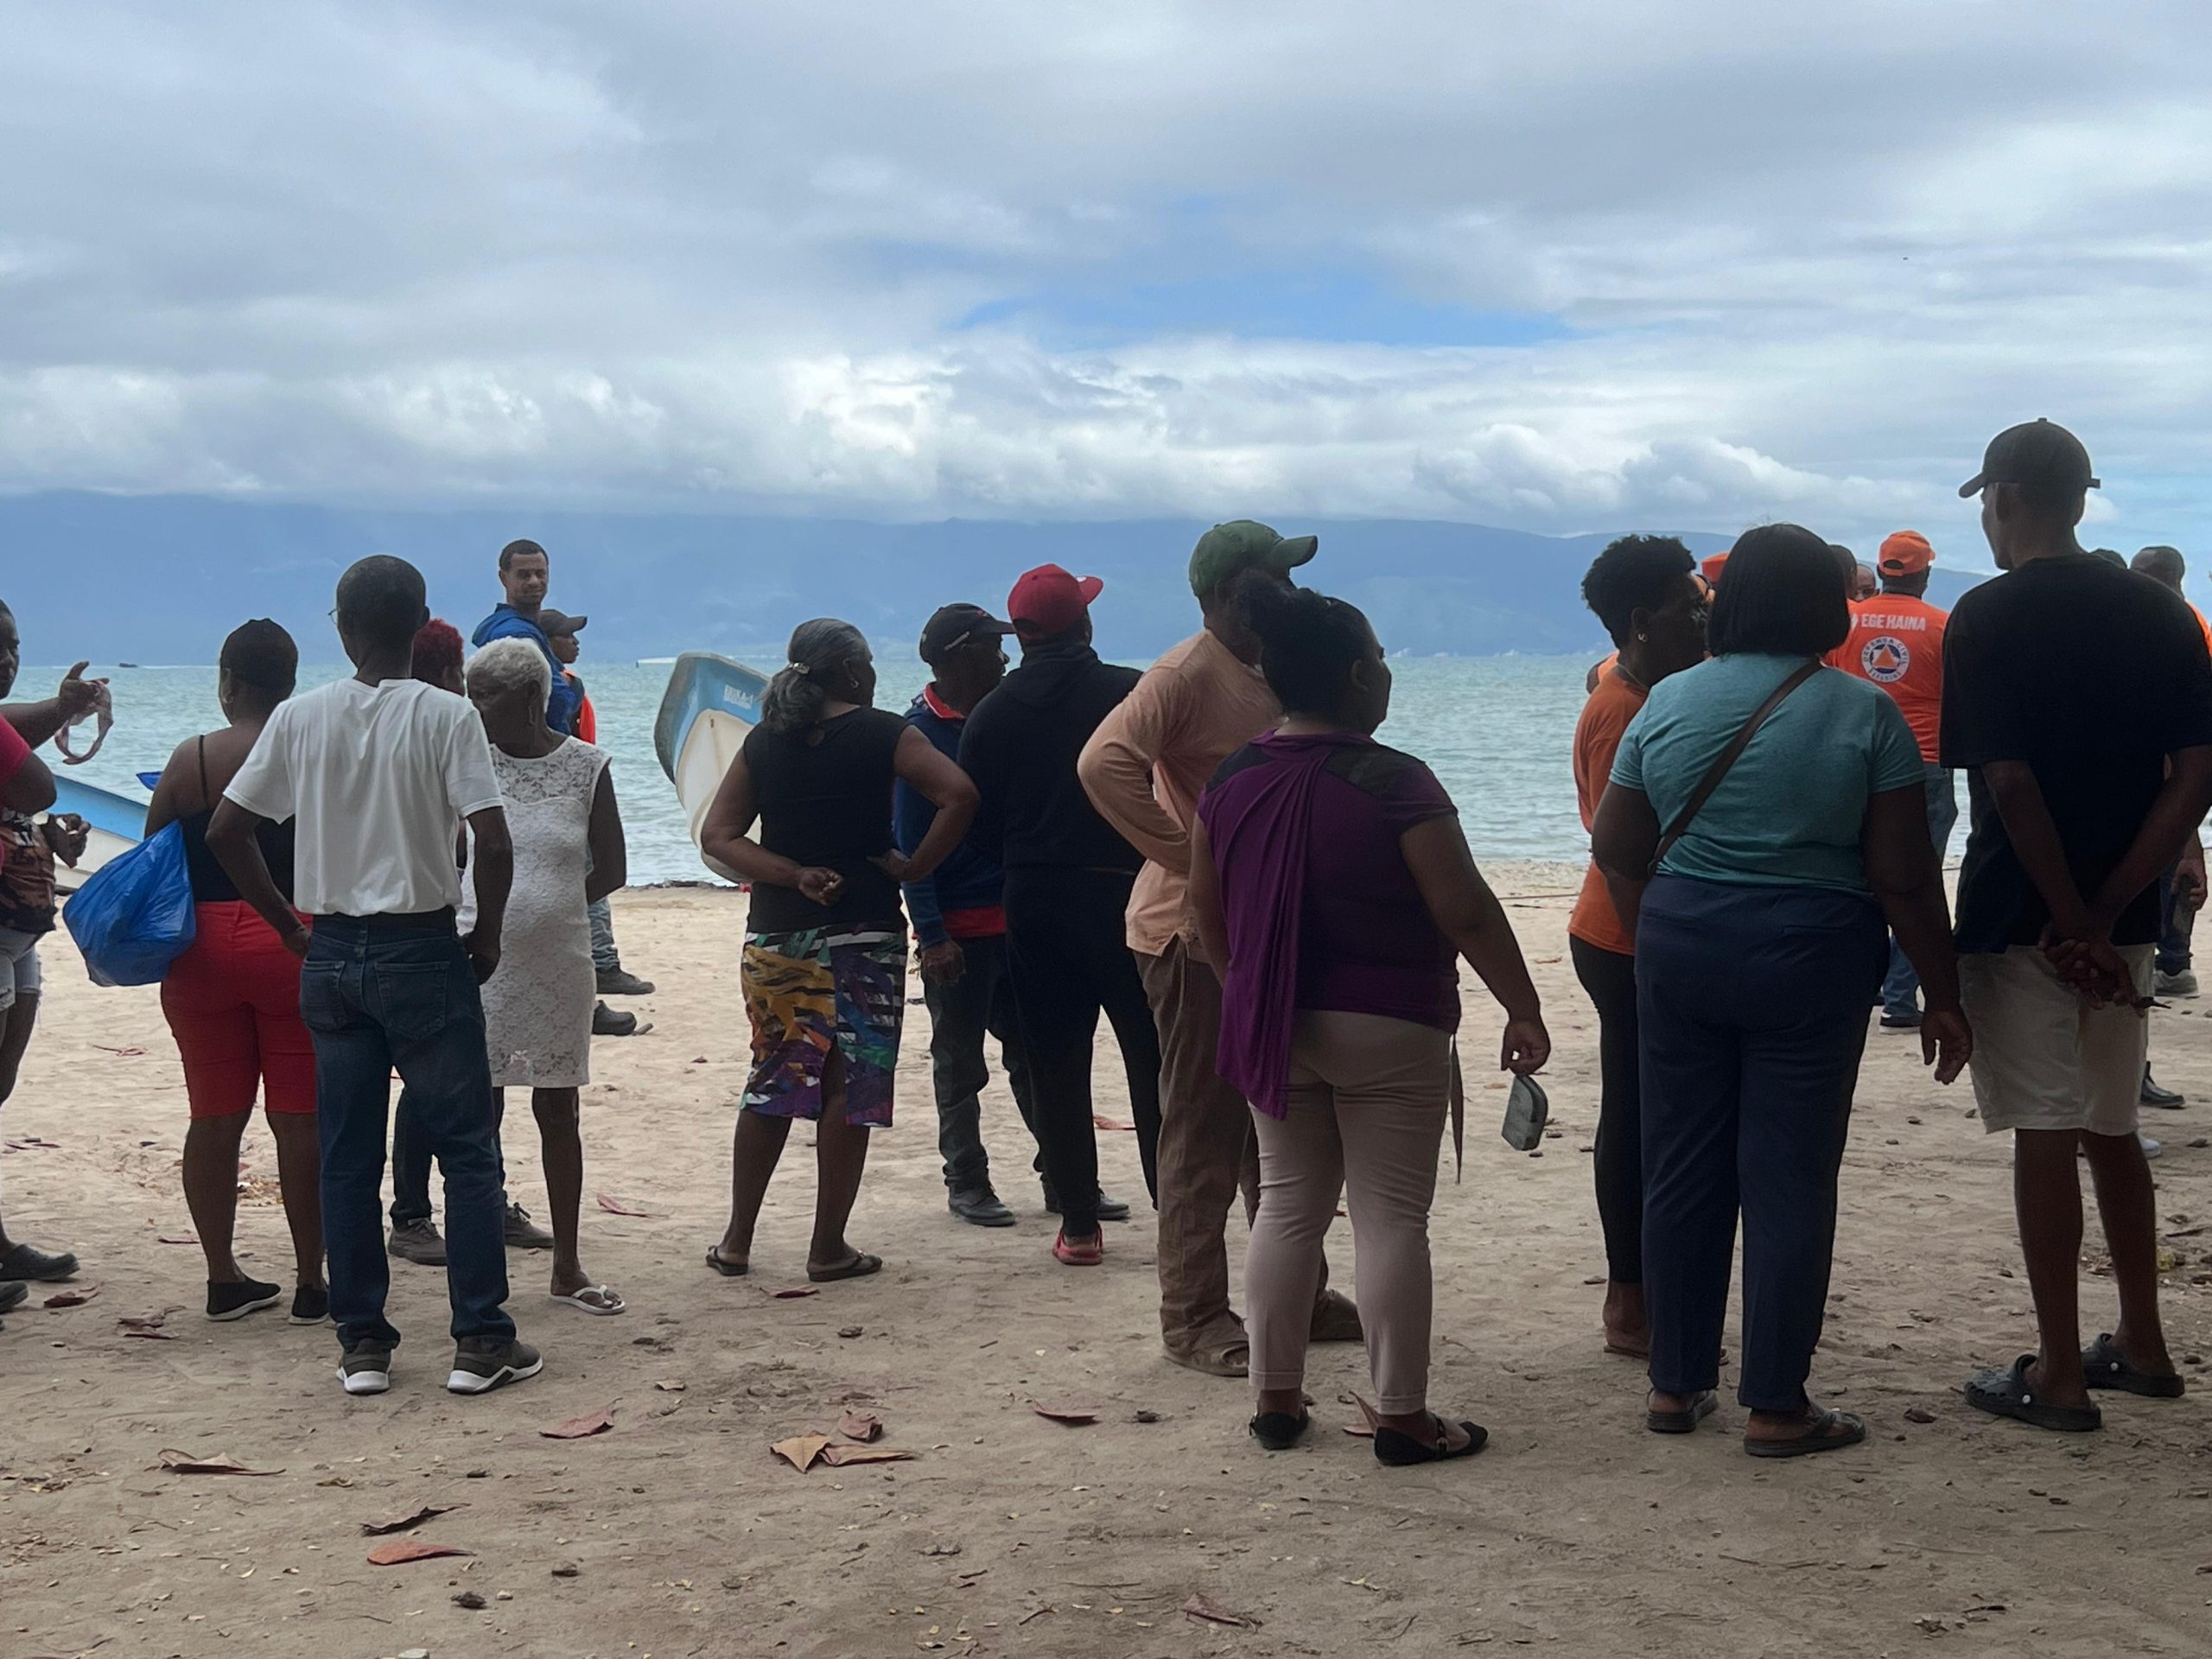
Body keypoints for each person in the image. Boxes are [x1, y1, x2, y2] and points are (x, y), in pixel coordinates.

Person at [1592, 523, 1969, 1457]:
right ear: (1826, 609)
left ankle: (1675, 1385)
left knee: (1681, 1166)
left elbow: (1615, 847)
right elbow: (1903, 876)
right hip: (1811, 955)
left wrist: (1664, 929)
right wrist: (1942, 990)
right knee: (1790, 1177)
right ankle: (1774, 1403)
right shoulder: (1864, 713)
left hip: (1680, 945)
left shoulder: (1665, 701)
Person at [1189, 587, 1549, 1465]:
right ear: (1358, 676)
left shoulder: (1230, 779)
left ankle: (1276, 1401)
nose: (1387, 672)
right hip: (1390, 1024)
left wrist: (1245, 992)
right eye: (1382, 658)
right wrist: (1522, 1003)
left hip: (1276, 1023)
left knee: (1286, 1206)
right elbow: (1463, 908)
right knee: (1390, 1219)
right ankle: (1401, 1416)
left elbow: (1205, 913)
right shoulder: (1396, 781)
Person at [210, 555, 538, 1398]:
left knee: (348, 1154)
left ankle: (363, 1343)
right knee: (466, 1151)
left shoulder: (302, 716)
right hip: (423, 948)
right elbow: (494, 840)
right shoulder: (448, 715)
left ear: (344, 627)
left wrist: (290, 926)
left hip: (332, 953)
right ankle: (480, 1339)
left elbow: (228, 830)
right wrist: (487, 935)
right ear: (420, 623)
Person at [1943, 422, 2212, 1432]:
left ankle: (2058, 1372)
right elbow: (2195, 775)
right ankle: (2143, 1342)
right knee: (2113, 1128)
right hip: (2122, 920)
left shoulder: (1985, 615)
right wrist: (2102, 915)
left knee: (2045, 1135)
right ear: (2082, 497)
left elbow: (2008, 783)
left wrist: (2064, 916)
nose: (1986, 516)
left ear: (2006, 497)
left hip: (2022, 919)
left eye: (1985, 499)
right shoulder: (2161, 611)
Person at [1079, 521, 1358, 1376]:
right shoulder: (1184, 673)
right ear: (1225, 596)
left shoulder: (1273, 665)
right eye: (1274, 579)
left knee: (1276, 1118)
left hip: (1260, 929)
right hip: (1188, 932)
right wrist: (1192, 858)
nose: (1289, 592)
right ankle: (1194, 1316)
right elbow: (1103, 763)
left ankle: (1298, 1292)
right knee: (1202, 1129)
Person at [699, 619, 976, 1281]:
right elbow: (959, 795)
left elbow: (719, 835)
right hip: (866, 930)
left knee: (775, 1078)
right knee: (852, 1086)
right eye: (869, 663)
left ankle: (737, 1242)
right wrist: (915, 867)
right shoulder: (885, 732)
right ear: (852, 671)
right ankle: (827, 1248)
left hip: (779, 934)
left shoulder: (765, 740)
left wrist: (793, 874)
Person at [961, 568, 1159, 1264]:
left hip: (1035, 896)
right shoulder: (1133, 694)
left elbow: (975, 826)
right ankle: (1177, 1210)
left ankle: (1078, 1226)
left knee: (1055, 1061)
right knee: (1153, 1058)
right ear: (1086, 625)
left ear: (1020, 636)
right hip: (1127, 892)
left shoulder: (991, 714)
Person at [144, 621, 326, 1325]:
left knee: (214, 1117)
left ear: (227, 683)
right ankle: (311, 1281)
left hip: (202, 952)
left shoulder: (191, 758)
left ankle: (223, 1278)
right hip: (293, 941)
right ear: (290, 685)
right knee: (300, 1121)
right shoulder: (310, 752)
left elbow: (155, 855)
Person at [1568, 536, 1708, 1360]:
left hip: (1643, 926)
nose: (1704, 619)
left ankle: (1652, 1290)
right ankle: (1629, 1299)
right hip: (1626, 933)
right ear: (1641, 622)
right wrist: (1661, 942)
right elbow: (1616, 842)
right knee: (1634, 1111)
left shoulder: (1653, 689)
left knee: (1657, 1108)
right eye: (1690, 608)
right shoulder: (1622, 708)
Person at [463, 639, 630, 1315]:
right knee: (481, 1112)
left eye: (487, 697)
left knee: (559, 1110)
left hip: (559, 962)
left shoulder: (586, 767)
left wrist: (555, 906)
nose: (474, 709)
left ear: (531, 697)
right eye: (470, 695)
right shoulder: (469, 764)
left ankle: (567, 1265)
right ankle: (482, 1272)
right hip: (481, 959)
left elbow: (611, 867)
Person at [897, 603, 1045, 1227]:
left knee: (1036, 1055)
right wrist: (932, 934)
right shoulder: (919, 735)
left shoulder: (998, 718)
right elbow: (911, 848)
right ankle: (966, 1180)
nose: (1004, 658)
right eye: (991, 647)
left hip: (1018, 919)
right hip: (960, 926)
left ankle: (1063, 1174)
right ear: (960, 657)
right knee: (960, 1064)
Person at [0, 606, 97, 1300]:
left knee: (1, 1082)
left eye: (13, 646)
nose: (7, 659)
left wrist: (39, 835)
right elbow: (38, 785)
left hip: (17, 924)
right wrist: (59, 714)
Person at [1830, 531, 1958, 1031]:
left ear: (1882, 571)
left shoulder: (1846, 622)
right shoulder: (1943, 627)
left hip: (1853, 764)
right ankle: (1901, 998)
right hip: (1923, 765)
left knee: (1857, 879)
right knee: (1918, 882)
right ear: (1925, 574)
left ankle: (1859, 986)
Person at [540, 608, 653, 1030]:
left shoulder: (559, 686)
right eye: (566, 636)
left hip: (570, 788)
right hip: (574, 792)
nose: (575, 642)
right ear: (548, 643)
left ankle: (601, 962)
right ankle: (604, 963)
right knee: (593, 874)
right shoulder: (566, 687)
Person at [2128, 547, 2209, 1005]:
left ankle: (2174, 961)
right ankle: (2174, 960)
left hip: (2180, 761)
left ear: (2162, 577)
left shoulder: (2174, 624)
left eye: (2139, 573)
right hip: (2179, 758)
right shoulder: (2182, 620)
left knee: (2173, 856)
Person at [474, 538, 582, 736]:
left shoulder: (509, 627)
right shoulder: (517, 636)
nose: (534, 581)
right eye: (524, 575)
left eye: (540, 574)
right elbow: (556, 699)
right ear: (503, 578)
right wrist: (574, 686)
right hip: (538, 746)